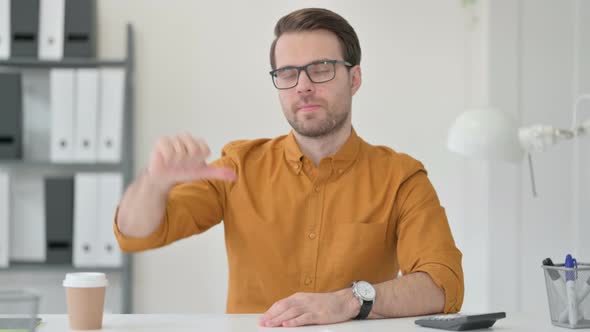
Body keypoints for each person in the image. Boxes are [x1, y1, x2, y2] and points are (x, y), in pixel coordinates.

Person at [114, 7, 464, 328]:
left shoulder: (400, 177)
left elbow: (443, 285)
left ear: (354, 79)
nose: (303, 86)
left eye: (321, 69)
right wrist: (153, 183)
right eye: (288, 73)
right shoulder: (239, 166)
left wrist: (349, 301)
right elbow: (136, 233)